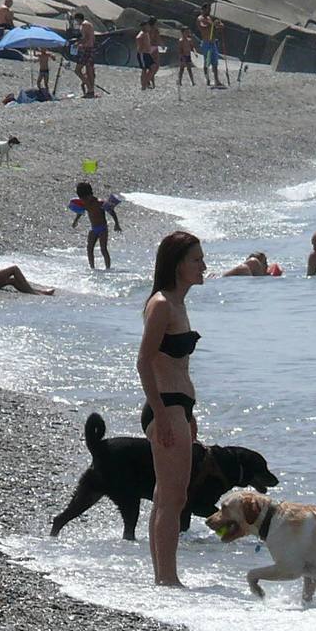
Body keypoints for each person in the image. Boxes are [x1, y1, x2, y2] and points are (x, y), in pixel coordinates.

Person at [137, 231, 206, 586]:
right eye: (196, 260)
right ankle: (167, 579)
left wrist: (188, 414)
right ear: (177, 263)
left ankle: (162, 577)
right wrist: (163, 415)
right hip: (165, 406)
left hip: (179, 407)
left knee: (165, 495)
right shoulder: (162, 304)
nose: (203, 266)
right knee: (173, 499)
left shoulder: (178, 303)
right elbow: (144, 361)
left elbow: (176, 365)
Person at [71, 181, 122, 270]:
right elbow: (80, 212)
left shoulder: (99, 203)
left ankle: (108, 268)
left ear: (90, 195)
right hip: (94, 229)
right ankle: (92, 268)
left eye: (85, 198)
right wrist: (76, 221)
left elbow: (112, 212)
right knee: (89, 248)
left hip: (103, 228)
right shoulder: (84, 203)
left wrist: (116, 224)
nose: (84, 201)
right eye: (82, 199)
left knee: (103, 249)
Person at [196, 3, 223, 88]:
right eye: (208, 9)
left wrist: (219, 25)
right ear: (203, 9)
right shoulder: (200, 18)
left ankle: (216, 80)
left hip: (213, 42)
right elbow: (203, 26)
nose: (209, 11)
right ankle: (207, 79)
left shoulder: (209, 18)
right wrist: (212, 25)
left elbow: (214, 28)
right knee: (207, 62)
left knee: (215, 62)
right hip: (206, 43)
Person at [72, 13, 96, 98]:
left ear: (78, 19)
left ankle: (89, 88)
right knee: (89, 70)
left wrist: (78, 44)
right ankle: (91, 91)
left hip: (87, 49)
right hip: (90, 48)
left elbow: (86, 38)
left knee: (78, 70)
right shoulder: (88, 24)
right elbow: (91, 38)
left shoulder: (84, 25)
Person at [136, 20, 155, 91]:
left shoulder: (146, 33)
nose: (148, 27)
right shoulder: (142, 34)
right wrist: (141, 48)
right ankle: (144, 85)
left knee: (153, 67)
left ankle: (146, 82)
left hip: (147, 53)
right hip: (142, 54)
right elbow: (138, 38)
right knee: (144, 69)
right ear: (144, 27)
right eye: (147, 26)